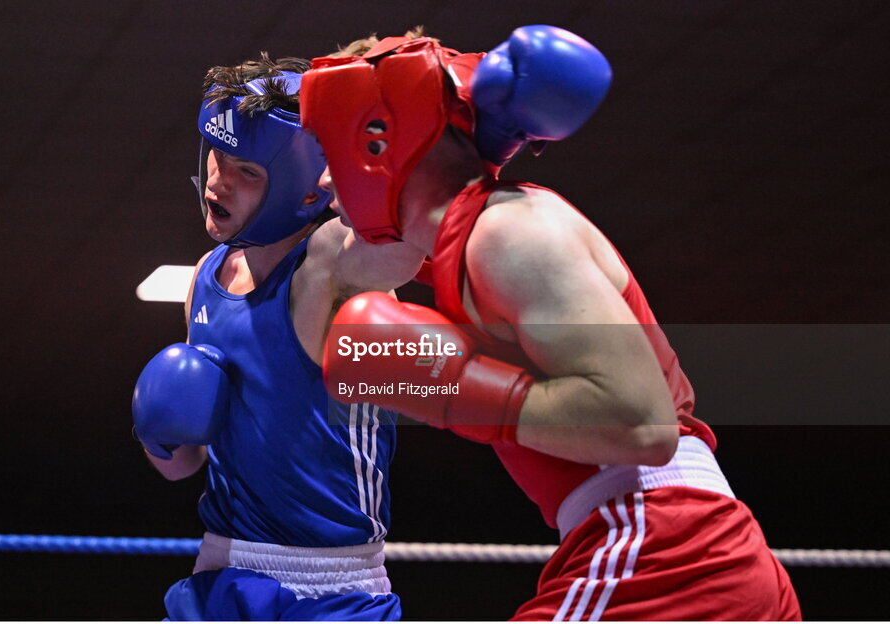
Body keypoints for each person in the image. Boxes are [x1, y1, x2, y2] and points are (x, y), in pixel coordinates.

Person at [302, 26, 802, 621]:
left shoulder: (510, 234)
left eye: (331, 154)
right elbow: (340, 294)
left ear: (377, 144)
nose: (326, 181)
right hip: (675, 547)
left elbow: (642, 426)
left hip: (662, 548)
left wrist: (455, 389)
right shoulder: (470, 240)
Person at [131, 52, 424, 621]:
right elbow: (182, 465)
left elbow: (406, 249)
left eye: (248, 171)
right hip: (219, 573)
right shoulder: (205, 278)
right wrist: (156, 432)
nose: (219, 181)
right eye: (219, 155)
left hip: (332, 588)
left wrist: (365, 163)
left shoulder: (330, 271)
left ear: (305, 187)